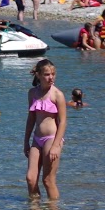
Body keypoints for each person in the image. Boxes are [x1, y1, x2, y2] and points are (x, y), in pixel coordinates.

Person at [25, 58, 68, 200]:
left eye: (53, 74)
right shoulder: (32, 93)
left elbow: (62, 122)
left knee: (48, 180)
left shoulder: (57, 95)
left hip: (52, 139)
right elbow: (31, 119)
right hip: (36, 140)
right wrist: (26, 142)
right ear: (38, 75)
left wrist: (56, 146)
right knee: (31, 179)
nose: (51, 78)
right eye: (47, 74)